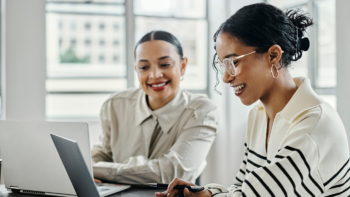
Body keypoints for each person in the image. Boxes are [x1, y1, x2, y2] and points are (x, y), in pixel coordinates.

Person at [156, 3, 350, 197]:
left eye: (234, 62)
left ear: (273, 55)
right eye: (223, 65)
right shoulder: (258, 117)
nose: (226, 77)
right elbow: (242, 188)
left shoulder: (313, 126)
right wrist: (206, 194)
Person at [91, 30, 219, 185]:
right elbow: (104, 154)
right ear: (136, 70)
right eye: (144, 67)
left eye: (165, 64)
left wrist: (97, 170)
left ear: (183, 66)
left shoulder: (202, 111)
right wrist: (86, 167)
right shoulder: (115, 105)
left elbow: (174, 172)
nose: (154, 75)